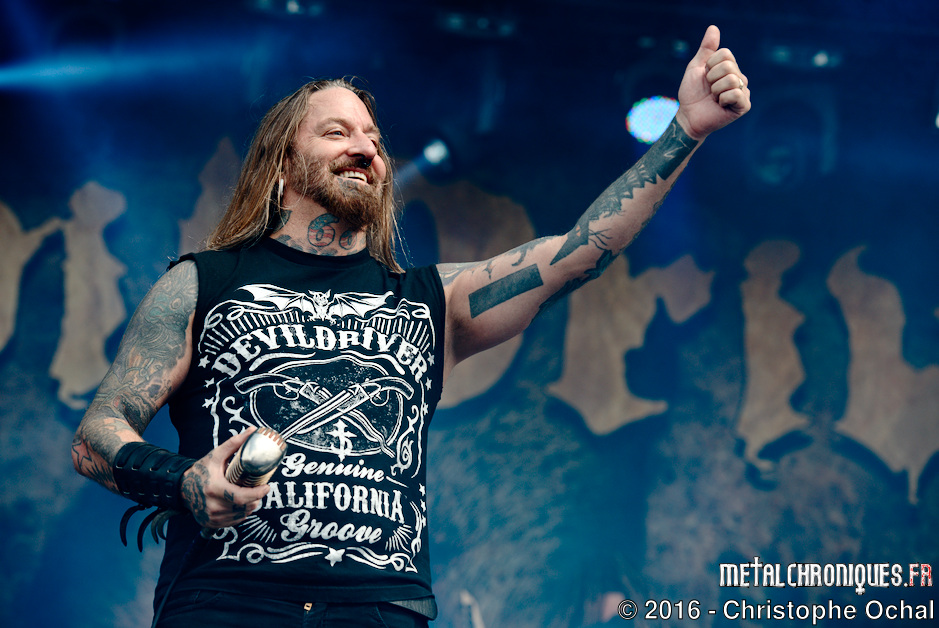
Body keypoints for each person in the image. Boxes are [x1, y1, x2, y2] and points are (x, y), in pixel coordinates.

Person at [72, 25, 750, 627]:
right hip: (226, 601)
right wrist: (183, 481)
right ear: (281, 166)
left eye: (373, 139)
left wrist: (684, 131)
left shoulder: (431, 301)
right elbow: (98, 434)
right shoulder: (203, 283)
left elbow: (579, 251)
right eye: (337, 132)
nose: (365, 148)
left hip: (377, 607)